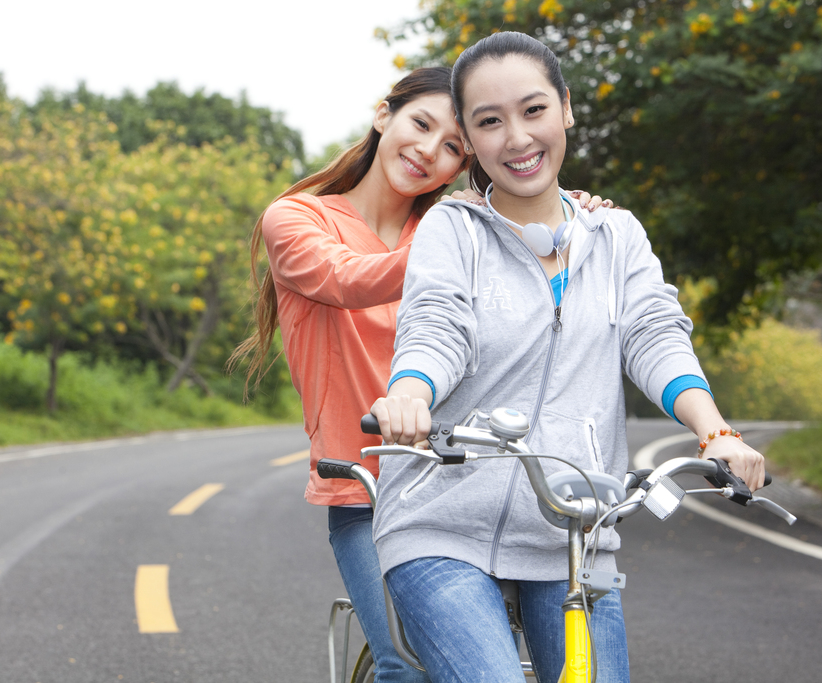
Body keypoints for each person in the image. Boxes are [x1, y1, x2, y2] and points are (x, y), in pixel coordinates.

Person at [369, 33, 766, 683]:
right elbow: (437, 327)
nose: (517, 138)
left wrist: (715, 432)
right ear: (468, 139)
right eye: (490, 122)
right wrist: (411, 394)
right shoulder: (453, 230)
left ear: (566, 109)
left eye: (533, 110)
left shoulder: (617, 237)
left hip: (573, 537)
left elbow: (654, 335)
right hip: (441, 528)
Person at [230, 66, 609, 682]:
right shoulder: (298, 219)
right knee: (405, 667)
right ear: (385, 115)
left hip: (475, 483)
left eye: (454, 146)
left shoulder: (454, 227)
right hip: (367, 489)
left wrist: (569, 220)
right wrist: (480, 236)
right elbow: (348, 279)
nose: (429, 151)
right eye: (421, 124)